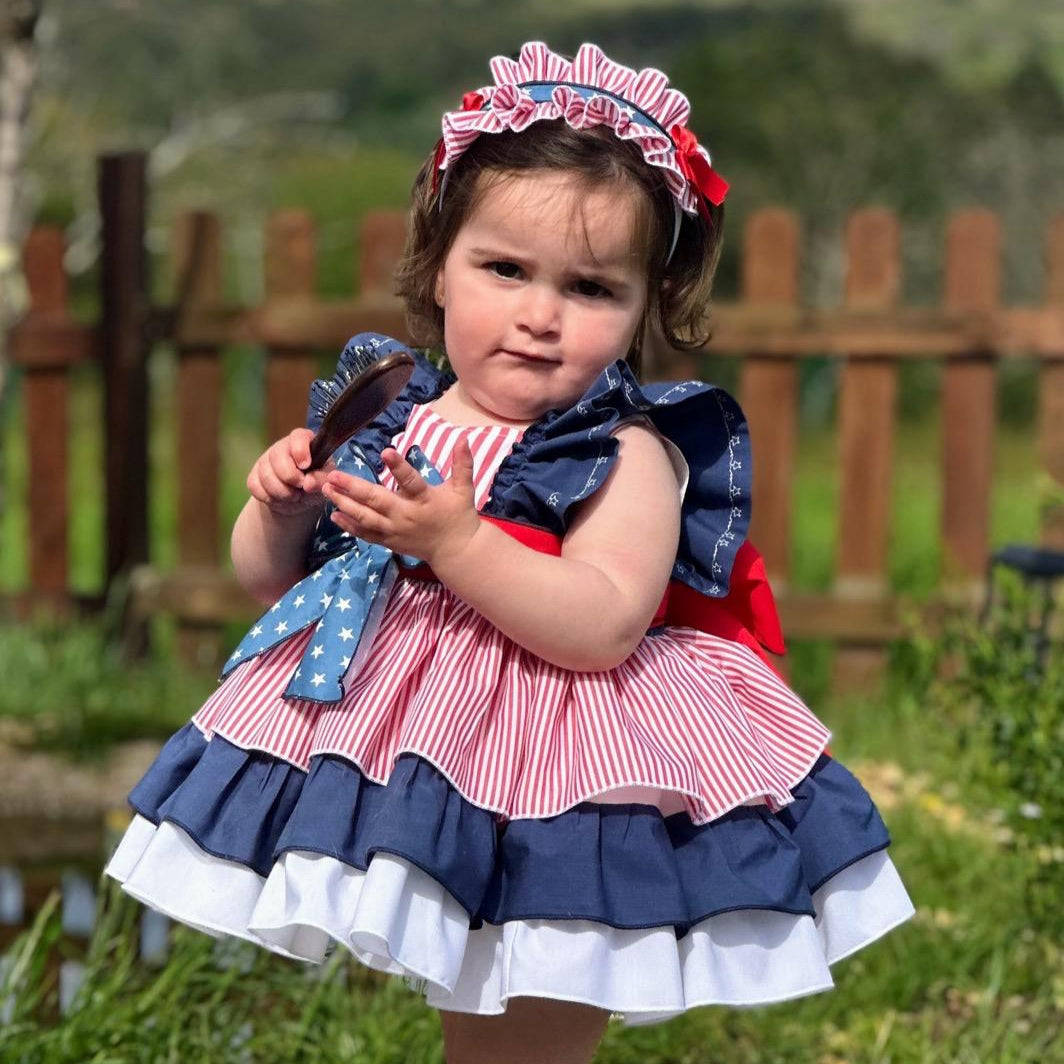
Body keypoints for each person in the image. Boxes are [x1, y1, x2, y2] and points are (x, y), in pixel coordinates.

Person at [105, 41, 915, 1064]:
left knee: (530, 1016)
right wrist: (274, 509)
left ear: (641, 306)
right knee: (471, 1012)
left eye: (589, 288)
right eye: (503, 269)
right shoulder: (398, 411)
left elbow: (601, 620)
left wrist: (455, 541)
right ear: (437, 265)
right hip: (421, 746)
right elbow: (285, 585)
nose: (538, 316)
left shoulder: (622, 451)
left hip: (563, 768)